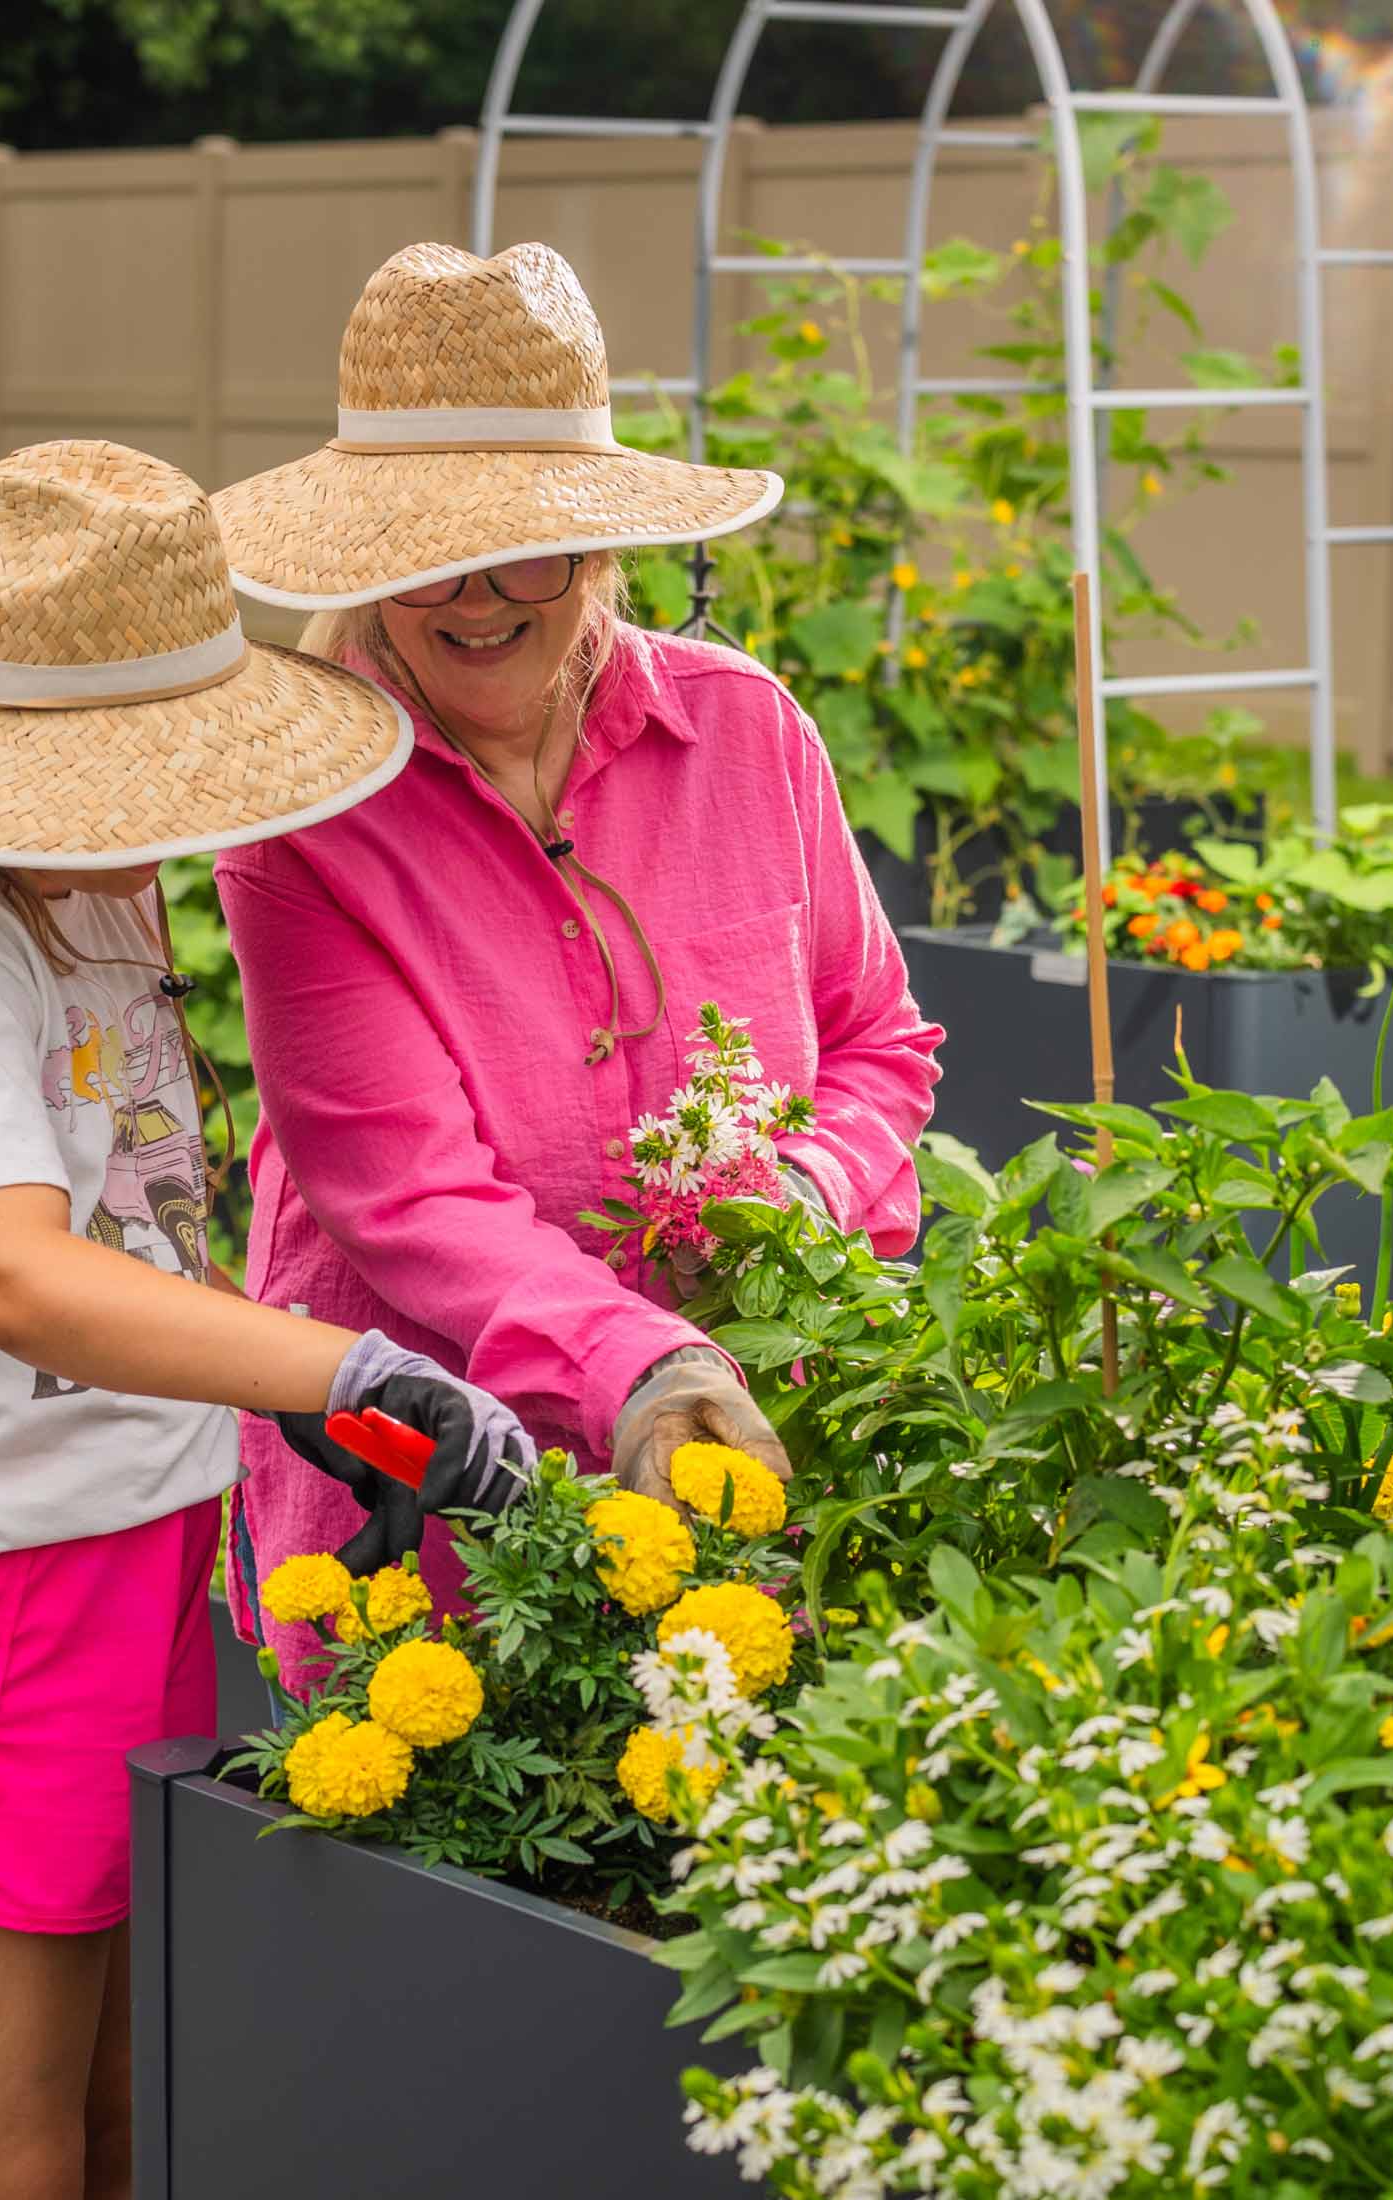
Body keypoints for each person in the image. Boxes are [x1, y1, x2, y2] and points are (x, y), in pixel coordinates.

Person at [0, 440, 533, 2200]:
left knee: (122, 2127)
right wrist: (339, 1366)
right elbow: (19, 1274)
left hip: (114, 1550)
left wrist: (272, 1400)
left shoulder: (78, 876)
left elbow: (126, 1207)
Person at [208, 242, 942, 1684]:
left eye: (526, 550)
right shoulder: (303, 817)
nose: (478, 600)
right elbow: (405, 1196)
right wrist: (644, 1365)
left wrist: (790, 1207)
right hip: (431, 1480)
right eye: (428, 562)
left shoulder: (745, 733)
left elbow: (876, 1043)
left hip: (741, 1445)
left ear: (604, 540)